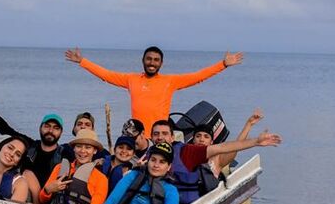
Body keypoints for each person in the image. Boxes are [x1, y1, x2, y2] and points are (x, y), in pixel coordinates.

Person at [65, 46, 244, 137]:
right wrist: (83, 62)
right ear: (143, 60)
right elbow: (106, 75)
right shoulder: (132, 79)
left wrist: (223, 65)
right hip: (138, 135)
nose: (152, 62)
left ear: (161, 63)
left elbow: (198, 76)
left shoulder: (170, 81)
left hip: (161, 135)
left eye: (156, 60)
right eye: (149, 59)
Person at [148, 119, 282, 204]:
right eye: (156, 134)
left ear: (172, 137)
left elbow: (225, 148)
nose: (160, 137)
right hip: (159, 203)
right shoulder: (147, 155)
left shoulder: (189, 152)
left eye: (164, 134)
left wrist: (255, 141)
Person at [0, 76, 64, 186]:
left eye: (56, 128)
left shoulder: (64, 153)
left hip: (50, 198)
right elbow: (2, 127)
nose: (51, 130)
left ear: (61, 133)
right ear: (40, 128)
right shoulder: (29, 145)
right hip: (23, 192)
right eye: (47, 126)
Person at [100, 142, 184, 204]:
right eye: (153, 160)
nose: (156, 165)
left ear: (168, 167)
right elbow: (112, 200)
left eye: (162, 162)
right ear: (148, 161)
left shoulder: (170, 189)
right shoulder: (132, 176)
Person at [38, 129, 109, 204]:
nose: (82, 151)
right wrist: (48, 190)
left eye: (88, 147)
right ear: (74, 149)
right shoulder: (60, 167)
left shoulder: (101, 179)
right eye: (79, 146)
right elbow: (41, 200)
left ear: (95, 151)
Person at [193, 108, 264, 178]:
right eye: (198, 136)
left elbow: (236, 147)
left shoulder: (217, 160)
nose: (201, 139)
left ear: (211, 142)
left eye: (206, 137)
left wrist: (249, 124)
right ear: (193, 140)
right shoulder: (185, 154)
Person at [0, 135, 40, 203]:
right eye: (10, 148)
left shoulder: (20, 183)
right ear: (0, 148)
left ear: (18, 162)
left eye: (18, 154)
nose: (12, 154)